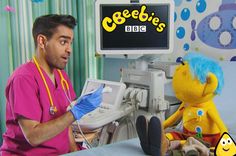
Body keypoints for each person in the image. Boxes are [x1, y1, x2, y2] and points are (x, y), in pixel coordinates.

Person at [0, 14, 103, 155]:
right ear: (42, 41)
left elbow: (65, 124)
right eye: (63, 42)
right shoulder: (23, 79)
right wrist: (74, 113)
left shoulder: (61, 76)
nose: (69, 50)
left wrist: (74, 152)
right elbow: (33, 136)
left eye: (70, 43)